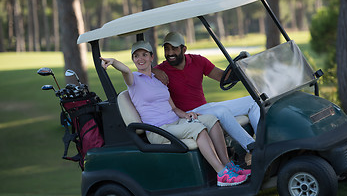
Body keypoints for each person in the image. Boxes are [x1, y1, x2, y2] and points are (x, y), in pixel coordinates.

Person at [100, 41, 250, 187]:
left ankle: (228, 165)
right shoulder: (133, 80)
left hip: (175, 122)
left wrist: (186, 115)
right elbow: (125, 70)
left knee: (211, 120)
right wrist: (113, 61)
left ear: (152, 57)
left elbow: (173, 108)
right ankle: (222, 174)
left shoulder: (160, 81)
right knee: (197, 129)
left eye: (144, 55)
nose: (140, 59)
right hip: (158, 130)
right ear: (133, 59)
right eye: (136, 56)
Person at [153, 32, 260, 161]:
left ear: (184, 49)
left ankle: (263, 142)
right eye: (166, 49)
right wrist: (153, 70)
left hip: (206, 107)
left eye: (174, 49)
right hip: (187, 115)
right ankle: (253, 148)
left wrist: (240, 67)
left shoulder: (198, 60)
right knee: (221, 111)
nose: (170, 53)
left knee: (253, 101)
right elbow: (138, 76)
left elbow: (222, 77)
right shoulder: (161, 70)